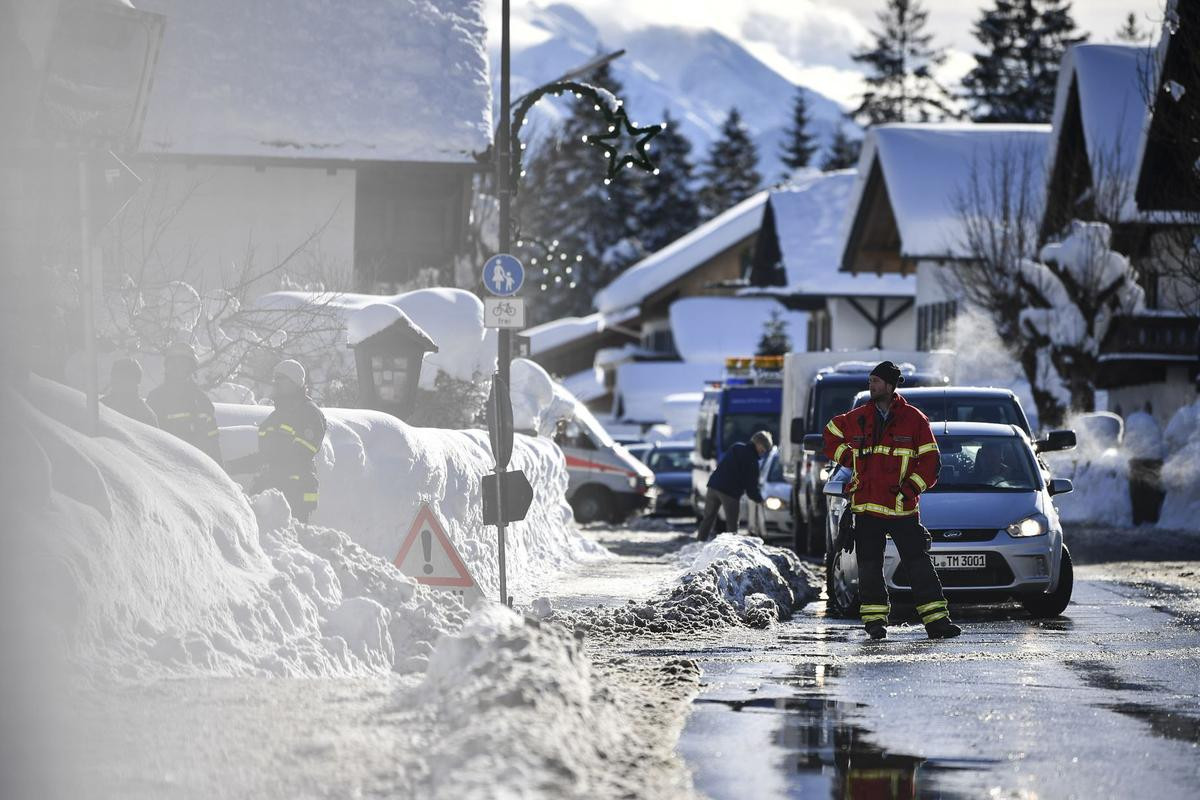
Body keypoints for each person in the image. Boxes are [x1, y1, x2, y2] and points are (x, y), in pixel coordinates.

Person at [823, 361, 961, 640]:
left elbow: (931, 462)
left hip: (902, 509)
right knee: (869, 568)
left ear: (890, 385)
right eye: (870, 381)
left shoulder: (914, 419)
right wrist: (849, 459)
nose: (871, 386)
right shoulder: (859, 416)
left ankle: (937, 622)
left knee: (918, 566)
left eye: (876, 381)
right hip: (866, 509)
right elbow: (830, 434)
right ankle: (874, 624)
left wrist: (910, 489)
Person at [233, 360, 327, 523]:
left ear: (295, 382)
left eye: (281, 378)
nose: (276, 383)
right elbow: (265, 456)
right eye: (275, 378)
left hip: (296, 493)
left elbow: (301, 453)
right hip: (272, 490)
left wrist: (271, 465)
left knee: (291, 542)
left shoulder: (309, 414)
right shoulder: (275, 418)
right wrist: (231, 467)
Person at [147, 342, 222, 466]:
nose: (178, 368)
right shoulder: (156, 399)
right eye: (174, 363)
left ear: (191, 368)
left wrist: (220, 478)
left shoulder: (201, 401)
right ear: (167, 366)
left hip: (198, 471)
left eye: (182, 364)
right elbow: (146, 441)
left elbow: (213, 445)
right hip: (164, 470)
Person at [696, 430, 772, 541]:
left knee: (708, 518)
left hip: (713, 486)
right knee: (732, 525)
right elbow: (751, 486)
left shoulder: (736, 447)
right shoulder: (752, 461)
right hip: (730, 493)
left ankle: (699, 543)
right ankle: (731, 549)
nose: (763, 452)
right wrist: (759, 499)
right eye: (764, 448)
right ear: (758, 444)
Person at [100, 357, 158, 428]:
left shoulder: (145, 415)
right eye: (115, 376)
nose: (115, 381)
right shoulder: (101, 407)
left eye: (121, 377)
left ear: (134, 381)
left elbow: (152, 438)